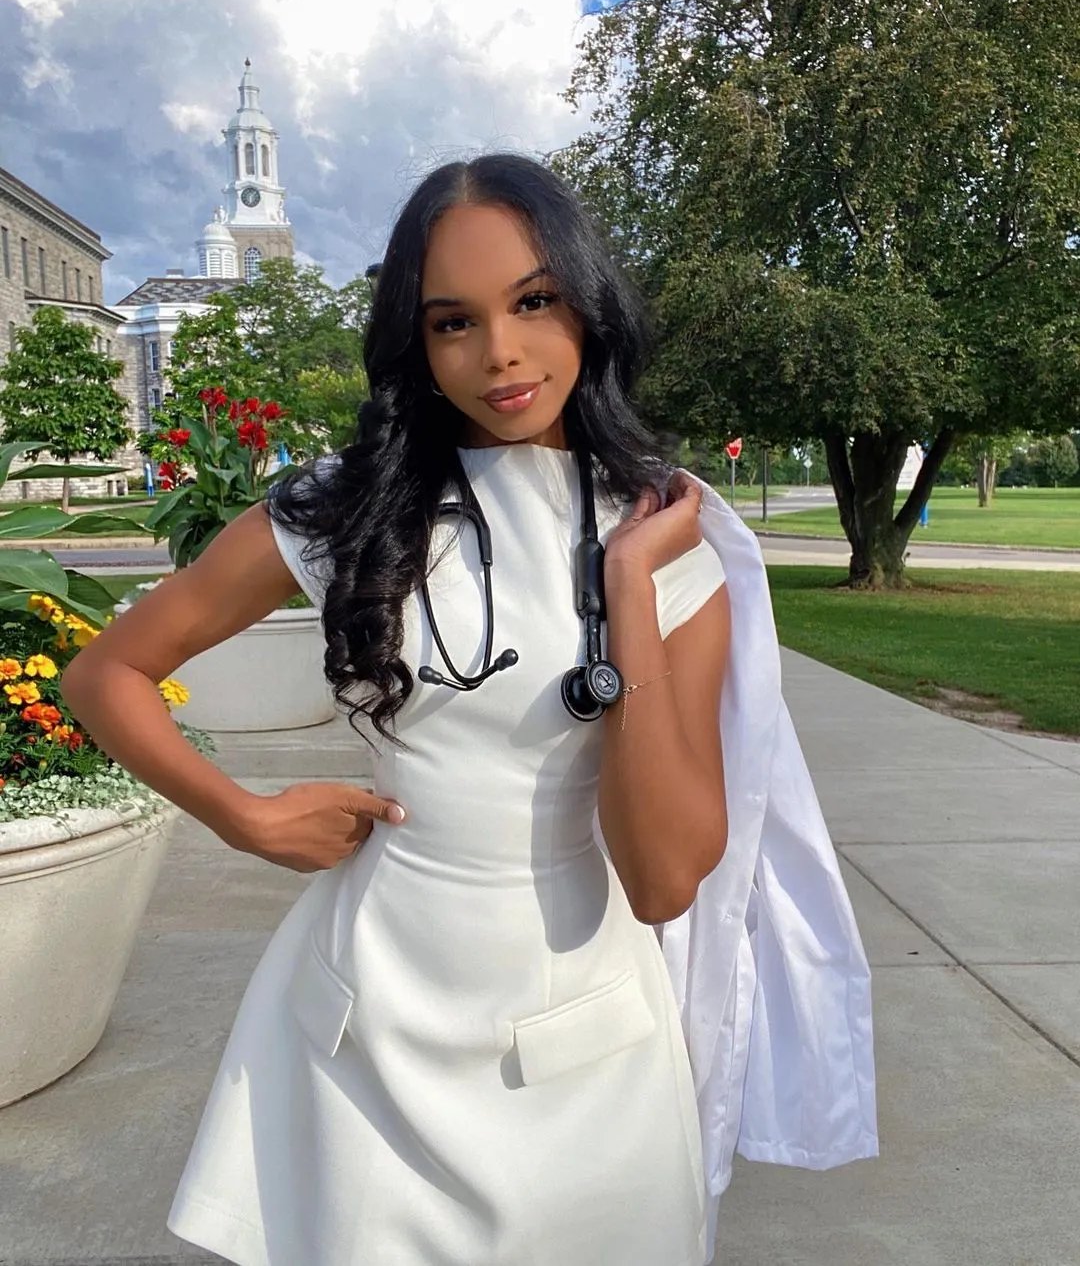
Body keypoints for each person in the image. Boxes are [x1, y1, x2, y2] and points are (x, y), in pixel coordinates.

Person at [61, 152, 876, 1266]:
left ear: (588, 304)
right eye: (454, 321)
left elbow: (663, 880)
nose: (500, 352)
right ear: (416, 341)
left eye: (533, 302)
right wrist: (241, 816)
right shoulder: (347, 514)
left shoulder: (665, 539)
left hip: (583, 1050)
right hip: (364, 1028)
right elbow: (104, 673)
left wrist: (627, 591)